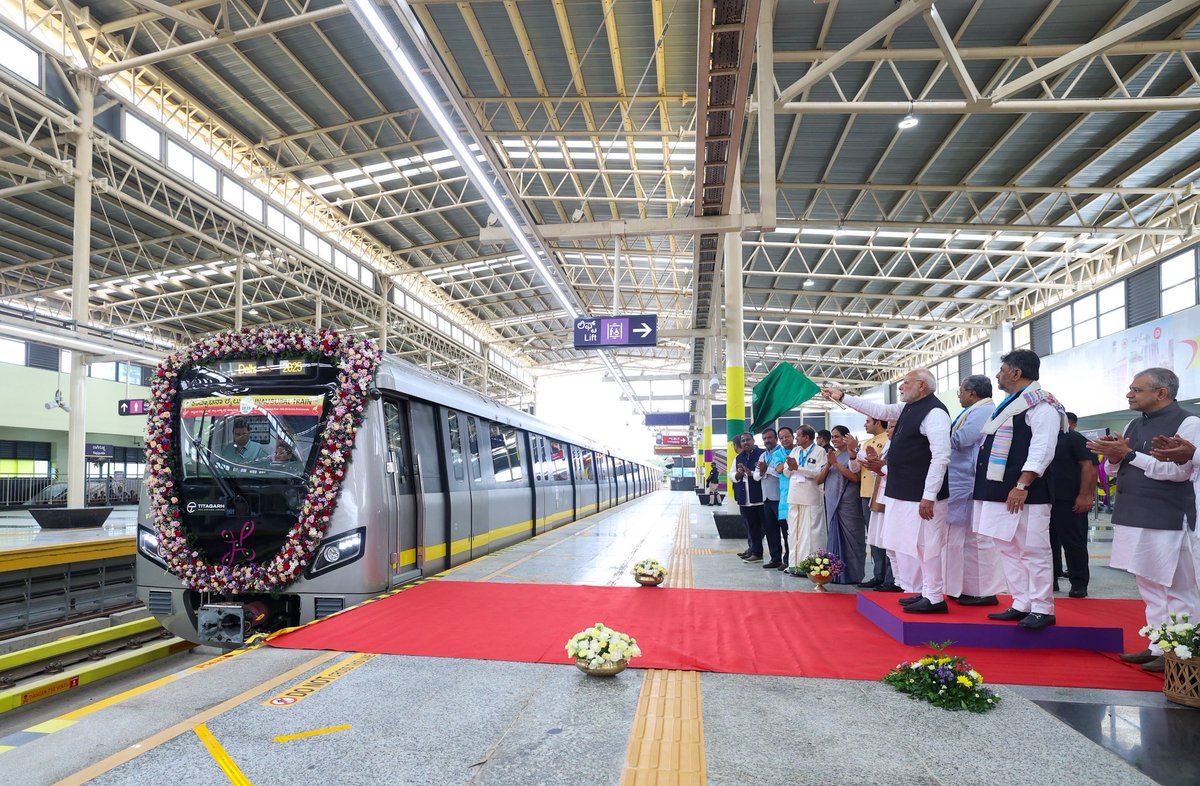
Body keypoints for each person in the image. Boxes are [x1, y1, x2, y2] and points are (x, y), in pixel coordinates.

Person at [1090, 368, 1200, 673]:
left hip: (1167, 515)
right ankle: (1157, 645)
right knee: (1148, 585)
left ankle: (1182, 652)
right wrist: (1114, 456)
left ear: (1161, 393)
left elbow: (1179, 472)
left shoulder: (1189, 423)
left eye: (1137, 390)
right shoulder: (1134, 424)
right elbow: (1116, 471)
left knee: (1177, 588)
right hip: (1132, 513)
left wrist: (1127, 455)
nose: (1130, 394)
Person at [824, 369, 951, 614]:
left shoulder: (934, 413)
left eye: (905, 382)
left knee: (929, 545)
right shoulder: (909, 408)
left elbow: (941, 457)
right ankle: (925, 592)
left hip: (922, 495)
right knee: (916, 547)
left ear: (922, 386)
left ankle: (935, 597)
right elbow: (879, 411)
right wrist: (842, 397)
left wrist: (929, 495)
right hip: (904, 492)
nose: (901, 387)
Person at [975, 350, 1067, 631]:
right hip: (999, 491)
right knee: (1007, 547)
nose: (997, 375)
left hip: (1027, 492)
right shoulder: (1011, 405)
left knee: (1033, 550)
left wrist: (1022, 484)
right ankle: (1021, 602)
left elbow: (1042, 450)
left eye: (1002, 369)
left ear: (1016, 373)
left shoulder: (1042, 406)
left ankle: (1042, 607)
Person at [945, 375, 1005, 606]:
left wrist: (938, 434)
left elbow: (962, 439)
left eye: (960, 390)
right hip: (961, 482)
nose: (958, 395)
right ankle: (964, 587)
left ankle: (983, 591)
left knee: (976, 542)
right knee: (961, 541)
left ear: (972, 392)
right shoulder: (972, 411)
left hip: (968, 482)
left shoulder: (982, 411)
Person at [1050, 412, 1099, 598]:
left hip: (1069, 500)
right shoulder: (1041, 438)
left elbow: (1090, 467)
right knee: (1046, 544)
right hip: (1045, 500)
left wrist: (1085, 496)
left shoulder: (1073, 437)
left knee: (1073, 542)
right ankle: (1050, 579)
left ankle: (1079, 583)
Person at [821, 425, 867, 584]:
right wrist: (830, 463)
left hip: (849, 502)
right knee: (835, 537)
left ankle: (853, 575)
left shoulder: (853, 454)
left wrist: (836, 464)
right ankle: (836, 574)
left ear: (846, 437)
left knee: (853, 538)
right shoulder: (832, 455)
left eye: (837, 436)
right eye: (832, 437)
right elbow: (819, 479)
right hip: (833, 502)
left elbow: (856, 478)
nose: (833, 439)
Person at [853, 417, 894, 589]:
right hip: (868, 493)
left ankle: (891, 578)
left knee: (888, 537)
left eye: (868, 421)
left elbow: (883, 466)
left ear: (879, 423)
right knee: (875, 536)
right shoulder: (868, 442)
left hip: (885, 493)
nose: (864, 424)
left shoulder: (888, 440)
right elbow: (857, 469)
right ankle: (879, 574)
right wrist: (853, 453)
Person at [783, 425, 828, 575]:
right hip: (794, 496)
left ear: (806, 437)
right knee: (793, 532)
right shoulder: (795, 451)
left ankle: (811, 567)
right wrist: (791, 467)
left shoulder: (820, 452)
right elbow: (786, 472)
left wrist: (798, 468)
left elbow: (819, 474)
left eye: (798, 436)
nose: (796, 439)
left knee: (811, 533)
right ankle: (793, 565)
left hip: (811, 497)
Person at [734, 433, 779, 566]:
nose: (746, 442)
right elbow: (734, 474)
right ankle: (756, 552)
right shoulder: (739, 457)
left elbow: (773, 471)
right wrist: (742, 474)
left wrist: (756, 473)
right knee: (752, 527)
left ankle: (776, 557)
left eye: (748, 440)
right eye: (743, 441)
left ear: (753, 441)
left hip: (762, 498)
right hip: (746, 498)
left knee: (770, 528)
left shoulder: (761, 453)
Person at [755, 427, 789, 570]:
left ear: (776, 439)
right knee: (771, 530)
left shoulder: (782, 453)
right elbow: (756, 476)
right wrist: (763, 471)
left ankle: (787, 559)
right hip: (767, 498)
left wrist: (765, 470)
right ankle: (775, 558)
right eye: (764, 439)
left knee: (786, 530)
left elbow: (780, 472)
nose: (767, 441)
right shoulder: (763, 455)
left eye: (770, 438)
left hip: (781, 498)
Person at [773, 427, 795, 565]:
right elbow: (779, 468)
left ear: (793, 437)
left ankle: (797, 560)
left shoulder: (801, 450)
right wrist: (792, 463)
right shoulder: (778, 453)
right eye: (781, 438)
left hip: (802, 495)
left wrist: (787, 463)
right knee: (787, 533)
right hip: (785, 498)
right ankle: (787, 560)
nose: (784, 440)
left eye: (787, 436)